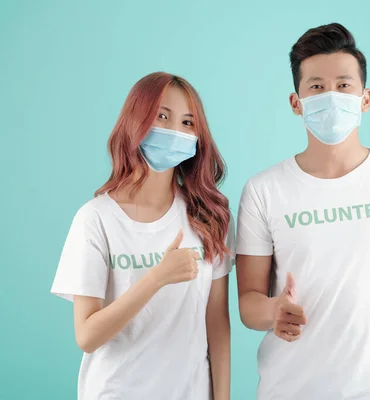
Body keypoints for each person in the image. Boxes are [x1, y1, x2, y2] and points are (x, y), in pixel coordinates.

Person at [235, 23, 370, 400]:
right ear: (295, 102)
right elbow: (248, 303)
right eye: (316, 86)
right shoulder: (263, 190)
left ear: (365, 98)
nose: (331, 96)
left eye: (344, 85)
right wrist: (273, 310)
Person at [50, 72, 234, 400]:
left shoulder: (208, 216)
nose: (175, 131)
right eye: (162, 116)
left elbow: (217, 325)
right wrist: (157, 278)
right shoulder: (95, 219)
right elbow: (87, 336)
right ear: (136, 120)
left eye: (188, 123)